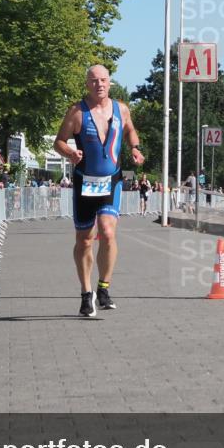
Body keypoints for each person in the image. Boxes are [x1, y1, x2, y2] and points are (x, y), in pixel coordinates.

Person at [54, 65, 144, 317]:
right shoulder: (76, 111)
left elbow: (130, 130)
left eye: (103, 80)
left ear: (110, 83)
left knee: (107, 231)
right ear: (87, 84)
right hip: (85, 182)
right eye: (94, 81)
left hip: (110, 181)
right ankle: (86, 294)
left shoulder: (121, 109)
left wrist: (135, 148)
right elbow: (58, 141)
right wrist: (70, 152)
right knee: (83, 239)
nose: (99, 85)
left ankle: (103, 287)